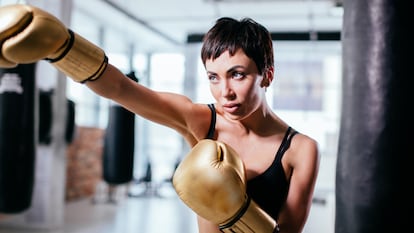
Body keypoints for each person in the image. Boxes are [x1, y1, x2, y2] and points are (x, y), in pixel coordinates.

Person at [0, 4, 319, 233]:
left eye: (237, 75)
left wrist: (237, 213)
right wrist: (62, 47)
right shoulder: (199, 121)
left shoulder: (301, 150)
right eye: (213, 77)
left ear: (267, 75)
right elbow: (121, 88)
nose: (225, 92)